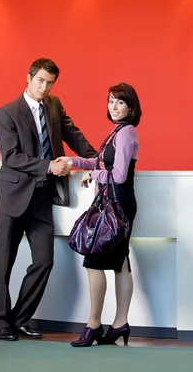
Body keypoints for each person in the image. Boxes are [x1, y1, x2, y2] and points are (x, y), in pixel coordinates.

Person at [0, 58, 97, 341]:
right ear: (28, 77)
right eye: (40, 81)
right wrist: (48, 166)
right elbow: (11, 157)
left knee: (44, 261)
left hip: (42, 198)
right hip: (14, 197)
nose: (44, 87)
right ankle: (0, 323)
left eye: (49, 83)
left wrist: (95, 160)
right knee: (4, 262)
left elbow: (73, 134)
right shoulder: (7, 113)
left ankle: (20, 319)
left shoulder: (53, 104)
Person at [58, 82, 141, 347]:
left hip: (118, 204)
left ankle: (95, 325)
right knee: (119, 263)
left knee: (95, 262)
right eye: (110, 102)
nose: (113, 107)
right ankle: (119, 324)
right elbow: (100, 162)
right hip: (115, 204)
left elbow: (118, 175)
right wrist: (75, 162)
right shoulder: (117, 132)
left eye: (119, 102)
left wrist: (92, 175)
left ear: (130, 107)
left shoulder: (127, 133)